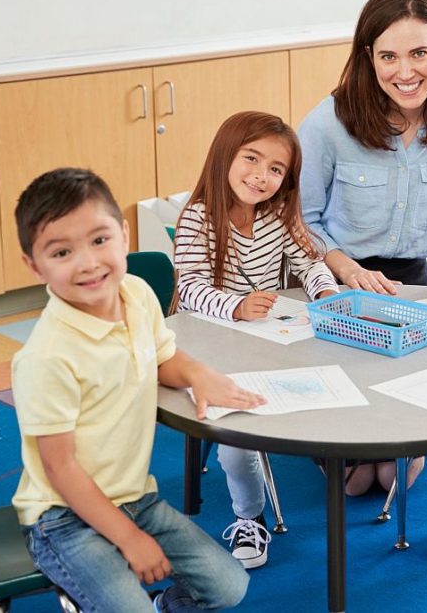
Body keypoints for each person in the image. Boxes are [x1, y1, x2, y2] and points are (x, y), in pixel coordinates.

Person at [296, 0, 427, 547]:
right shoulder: (327, 122)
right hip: (325, 278)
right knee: (361, 478)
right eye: (388, 56)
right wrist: (342, 267)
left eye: (418, 54)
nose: (404, 71)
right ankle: (374, 450)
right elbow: (298, 220)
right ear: (368, 57)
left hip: (407, 279)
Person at [11, 167, 261, 613]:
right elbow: (61, 469)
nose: (88, 262)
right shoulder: (45, 356)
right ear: (34, 264)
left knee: (228, 586)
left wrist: (198, 373)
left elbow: (164, 357)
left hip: (135, 498)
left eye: (100, 240)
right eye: (62, 251)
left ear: (125, 235)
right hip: (62, 518)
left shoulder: (137, 295)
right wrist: (129, 540)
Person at [173, 111, 339, 568]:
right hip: (211, 349)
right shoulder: (197, 218)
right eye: (251, 158)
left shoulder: (277, 216)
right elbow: (188, 287)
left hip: (270, 340)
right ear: (226, 154)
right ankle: (251, 517)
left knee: (338, 371)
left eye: (275, 169)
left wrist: (325, 290)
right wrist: (235, 305)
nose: (261, 176)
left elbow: (309, 261)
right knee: (236, 442)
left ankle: (328, 451)